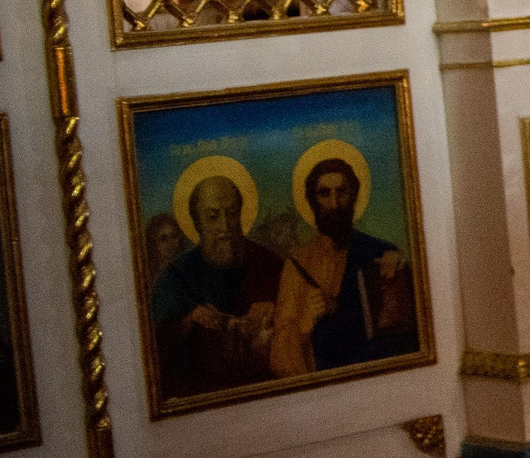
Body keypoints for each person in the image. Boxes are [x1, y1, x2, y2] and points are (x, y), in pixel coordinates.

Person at [271, 156, 418, 374]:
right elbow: (278, 360)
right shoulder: (297, 265)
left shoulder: (379, 252)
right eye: (324, 193)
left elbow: (407, 338)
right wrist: (304, 322)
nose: (334, 204)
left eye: (342, 192)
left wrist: (396, 278)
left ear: (354, 196)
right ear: (312, 200)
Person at [148, 171, 286, 396]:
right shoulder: (174, 279)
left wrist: (277, 310)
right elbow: (160, 346)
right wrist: (190, 321)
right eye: (213, 216)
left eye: (231, 214)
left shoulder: (269, 264)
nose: (225, 225)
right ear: (197, 221)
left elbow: (296, 322)